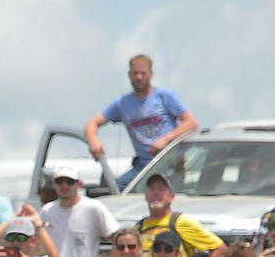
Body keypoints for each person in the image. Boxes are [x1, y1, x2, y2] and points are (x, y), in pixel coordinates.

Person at [85, 54, 198, 187]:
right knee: (114, 190)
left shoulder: (164, 96)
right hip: (143, 167)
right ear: (129, 75)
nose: (139, 77)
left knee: (164, 192)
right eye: (135, 73)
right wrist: (94, 141)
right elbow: (92, 123)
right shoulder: (123, 104)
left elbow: (192, 123)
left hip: (169, 163)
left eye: (143, 73)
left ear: (151, 74)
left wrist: (165, 140)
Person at [41, 166, 120, 257]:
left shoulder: (93, 208)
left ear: (79, 184)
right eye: (60, 181)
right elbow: (37, 248)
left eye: (70, 181)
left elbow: (120, 239)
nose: (64, 185)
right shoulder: (46, 211)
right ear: (54, 184)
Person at [134, 172, 223, 257]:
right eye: (152, 189)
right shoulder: (138, 228)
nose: (156, 193)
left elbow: (220, 248)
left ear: (172, 197)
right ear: (146, 196)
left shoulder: (181, 222)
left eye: (162, 189)